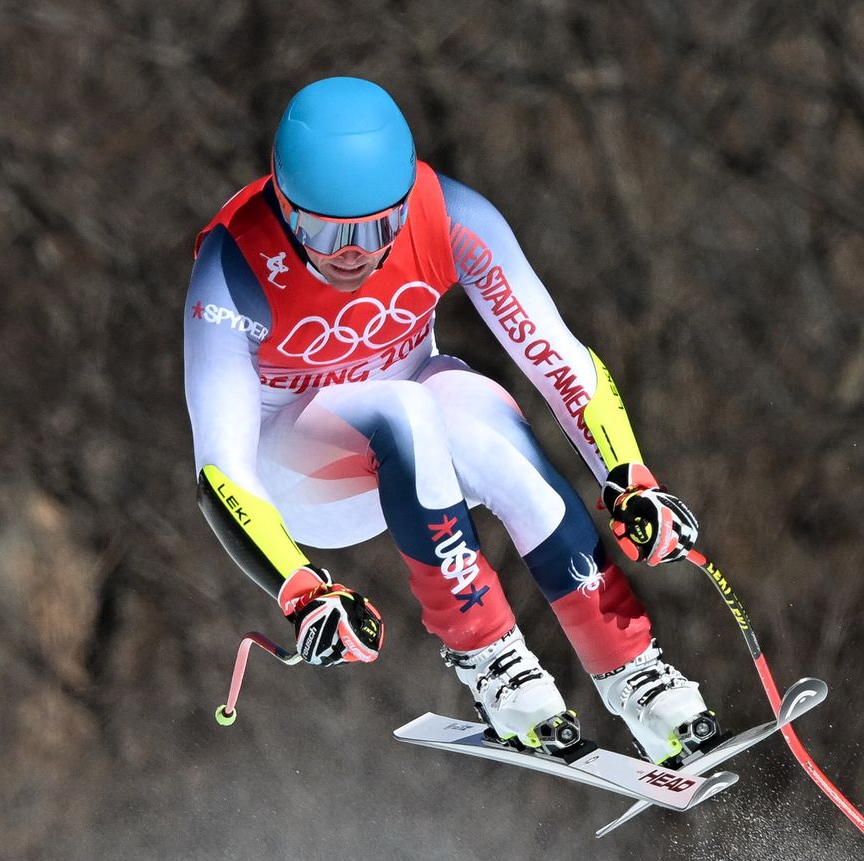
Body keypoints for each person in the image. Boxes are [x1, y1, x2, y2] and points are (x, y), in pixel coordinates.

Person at [184, 76, 722, 766]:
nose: (351, 256)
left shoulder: (450, 215)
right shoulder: (232, 263)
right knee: (402, 404)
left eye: (378, 230)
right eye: (322, 232)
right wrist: (301, 588)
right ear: (284, 207)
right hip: (300, 477)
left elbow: (556, 357)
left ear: (406, 205)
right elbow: (220, 466)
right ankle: (491, 662)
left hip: (423, 451)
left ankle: (634, 671)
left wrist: (628, 476)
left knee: (476, 407)